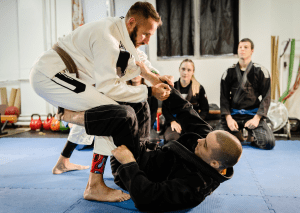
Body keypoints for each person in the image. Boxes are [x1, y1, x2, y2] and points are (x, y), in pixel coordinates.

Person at [30, 1, 173, 202]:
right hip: (51, 75)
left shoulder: (123, 33)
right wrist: (149, 90)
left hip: (76, 79)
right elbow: (109, 87)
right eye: (146, 34)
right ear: (132, 22)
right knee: (112, 112)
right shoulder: (108, 37)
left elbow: (139, 59)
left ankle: (65, 154)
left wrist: (157, 77)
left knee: (101, 111)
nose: (148, 40)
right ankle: (94, 185)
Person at [59, 79, 242, 212]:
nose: (200, 140)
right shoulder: (210, 140)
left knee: (125, 116)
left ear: (214, 165)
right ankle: (94, 183)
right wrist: (165, 88)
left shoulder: (194, 189)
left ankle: (70, 117)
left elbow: (146, 199)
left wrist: (129, 163)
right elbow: (186, 111)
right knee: (140, 101)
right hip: (149, 152)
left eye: (204, 145)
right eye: (205, 138)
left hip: (133, 169)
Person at [216, 38, 275, 150]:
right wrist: (228, 118)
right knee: (215, 140)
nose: (242, 49)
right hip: (233, 114)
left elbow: (266, 97)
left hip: (252, 115)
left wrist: (257, 118)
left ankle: (252, 136)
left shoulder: (261, 71)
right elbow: (224, 97)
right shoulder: (228, 72)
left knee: (268, 143)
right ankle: (236, 133)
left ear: (252, 50)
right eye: (240, 47)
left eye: (246, 47)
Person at [163, 59, 209, 142]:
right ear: (179, 69)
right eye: (183, 69)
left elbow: (205, 110)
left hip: (192, 124)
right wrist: (172, 121)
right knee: (172, 141)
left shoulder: (199, 88)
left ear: (193, 72)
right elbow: (165, 108)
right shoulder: (171, 88)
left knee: (195, 141)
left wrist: (196, 123)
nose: (185, 73)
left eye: (189, 70)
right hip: (176, 124)